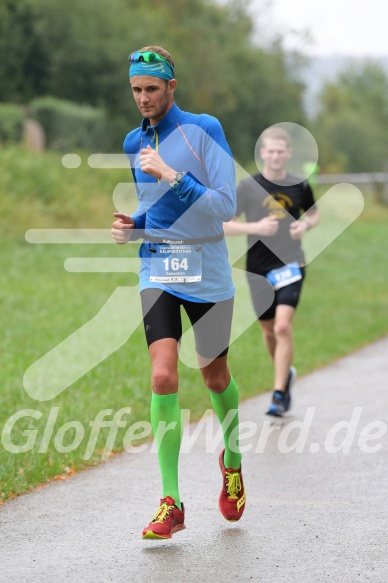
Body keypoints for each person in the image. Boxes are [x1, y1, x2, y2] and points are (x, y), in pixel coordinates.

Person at [111, 46, 245, 539]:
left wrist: (172, 175)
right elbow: (158, 213)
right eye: (135, 90)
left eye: (151, 88)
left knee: (214, 378)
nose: (143, 98)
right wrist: (135, 227)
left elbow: (224, 206)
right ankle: (172, 501)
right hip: (160, 269)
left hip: (207, 272)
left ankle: (232, 459)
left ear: (171, 86)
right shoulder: (133, 141)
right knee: (163, 375)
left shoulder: (203, 129)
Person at [224, 126, 320, 417]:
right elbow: (225, 224)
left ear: (287, 154)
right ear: (262, 152)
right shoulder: (248, 187)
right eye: (271, 150)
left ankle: (279, 393)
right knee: (268, 331)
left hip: (291, 263)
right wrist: (255, 228)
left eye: (281, 151)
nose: (276, 156)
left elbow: (314, 212)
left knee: (282, 326)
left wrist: (304, 224)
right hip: (258, 269)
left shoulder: (299, 185)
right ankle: (285, 373)